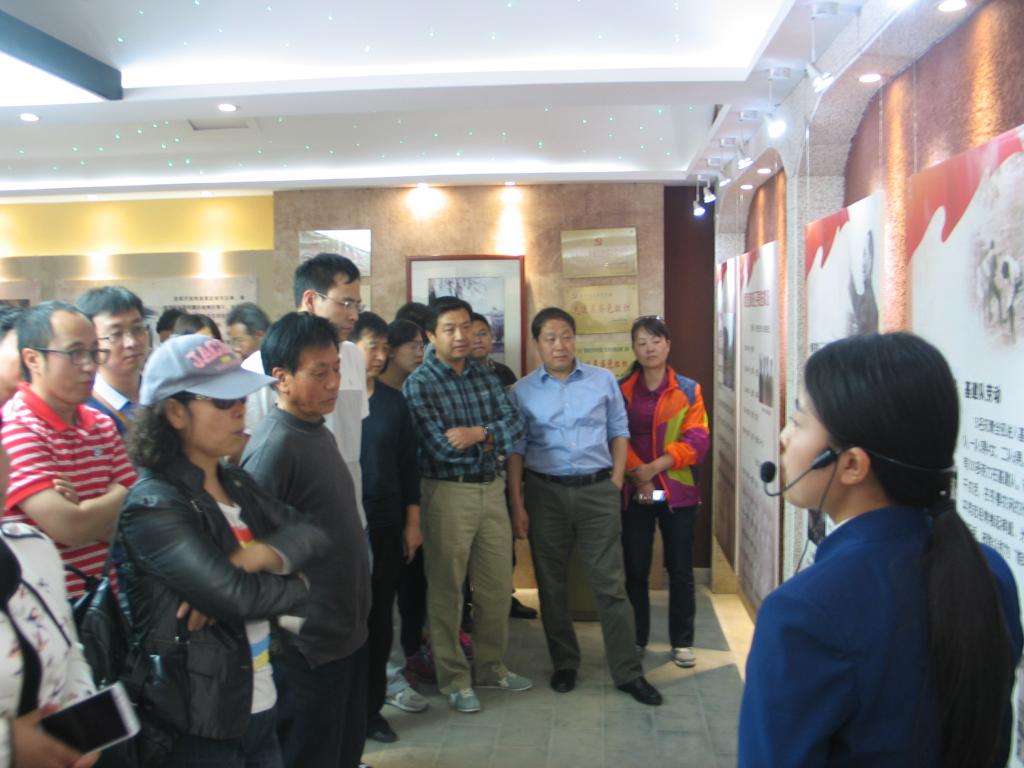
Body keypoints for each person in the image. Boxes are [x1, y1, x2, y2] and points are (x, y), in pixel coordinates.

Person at [738, 333, 1023, 767]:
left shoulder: (803, 612)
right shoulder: (990, 571)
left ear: (851, 464)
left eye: (798, 421)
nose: (783, 436)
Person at [118, 333, 328, 767]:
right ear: (174, 412)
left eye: (241, 398)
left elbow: (313, 534)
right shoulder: (155, 504)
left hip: (259, 698)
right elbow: (236, 596)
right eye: (222, 401)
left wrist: (258, 556)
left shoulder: (235, 483)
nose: (239, 409)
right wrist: (297, 585)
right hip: (198, 719)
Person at [507, 307, 661, 705]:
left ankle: (628, 672)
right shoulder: (521, 391)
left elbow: (619, 432)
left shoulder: (602, 380)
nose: (560, 345)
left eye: (566, 336)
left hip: (597, 491)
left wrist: (615, 481)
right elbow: (516, 451)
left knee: (610, 584)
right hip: (545, 494)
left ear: (575, 339)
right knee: (551, 584)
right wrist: (518, 504)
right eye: (550, 338)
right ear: (537, 343)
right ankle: (565, 663)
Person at [241, 313, 371, 768]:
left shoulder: (316, 430)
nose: (334, 382)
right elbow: (252, 552)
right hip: (308, 648)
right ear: (281, 378)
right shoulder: (274, 447)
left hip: (345, 632)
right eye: (319, 373)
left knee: (344, 751)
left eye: (336, 369)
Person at [403, 296, 531, 713]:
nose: (461, 336)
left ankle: (491, 667)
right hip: (446, 492)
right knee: (447, 591)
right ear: (430, 335)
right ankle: (454, 680)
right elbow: (439, 448)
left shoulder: (485, 375)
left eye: (466, 327)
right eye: (449, 329)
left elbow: (516, 424)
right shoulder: (420, 383)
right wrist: (492, 439)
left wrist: (479, 434)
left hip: (491, 489)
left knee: (496, 587)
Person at [0, 305, 99, 768]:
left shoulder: (30, 547)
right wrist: (12, 745)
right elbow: (72, 524)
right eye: (74, 352)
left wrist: (81, 731)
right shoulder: (27, 424)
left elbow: (68, 649)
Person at [2, 301, 136, 598]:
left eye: (93, 352)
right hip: (43, 608)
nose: (89, 366)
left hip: (104, 604)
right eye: (75, 353)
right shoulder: (16, 429)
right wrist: (121, 493)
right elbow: (70, 528)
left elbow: (135, 519)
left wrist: (86, 511)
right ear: (33, 359)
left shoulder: (102, 424)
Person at [242, 253, 369, 528]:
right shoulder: (257, 367)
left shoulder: (353, 356)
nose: (354, 315)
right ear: (310, 300)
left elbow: (352, 438)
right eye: (345, 303)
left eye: (357, 305)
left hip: (351, 515)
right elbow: (251, 450)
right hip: (295, 526)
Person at [352, 312, 427, 743]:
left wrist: (412, 523)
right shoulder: (333, 398)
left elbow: (407, 468)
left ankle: (371, 711)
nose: (380, 356)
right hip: (344, 525)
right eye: (372, 347)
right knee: (350, 620)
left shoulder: (393, 402)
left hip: (385, 522)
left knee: (381, 619)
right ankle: (345, 708)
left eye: (385, 348)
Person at [619, 316, 709, 668]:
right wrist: (639, 475)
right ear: (634, 349)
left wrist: (654, 468)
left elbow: (697, 440)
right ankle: (636, 638)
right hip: (639, 491)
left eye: (656, 341)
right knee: (636, 566)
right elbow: (616, 436)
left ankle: (682, 642)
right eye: (642, 343)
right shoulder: (622, 389)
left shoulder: (689, 389)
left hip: (675, 493)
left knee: (681, 569)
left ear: (668, 345)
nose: (649, 348)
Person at [468, 312, 536, 621]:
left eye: (484, 333)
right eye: (473, 333)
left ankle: (505, 597)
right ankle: (469, 606)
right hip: (471, 469)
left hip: (503, 465)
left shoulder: (503, 373)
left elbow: (513, 421)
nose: (479, 339)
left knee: (502, 540)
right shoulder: (456, 376)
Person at [377, 318, 433, 684]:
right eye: (412, 345)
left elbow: (411, 460)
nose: (419, 352)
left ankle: (412, 652)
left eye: (422, 345)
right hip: (381, 506)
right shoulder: (368, 396)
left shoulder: (408, 393)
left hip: (412, 500)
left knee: (415, 583)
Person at [76, 286, 150, 436]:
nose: (131, 342)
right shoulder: (81, 409)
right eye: (116, 334)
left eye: (137, 329)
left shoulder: (162, 397)